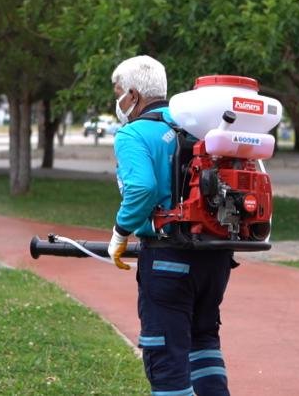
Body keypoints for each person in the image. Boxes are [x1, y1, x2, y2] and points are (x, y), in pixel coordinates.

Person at [108, 56, 235, 396]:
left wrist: (120, 233)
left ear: (133, 95)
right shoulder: (199, 128)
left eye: (118, 92)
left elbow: (141, 188)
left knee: (166, 363)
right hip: (214, 258)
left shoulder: (133, 133)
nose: (117, 100)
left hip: (168, 263)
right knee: (203, 343)